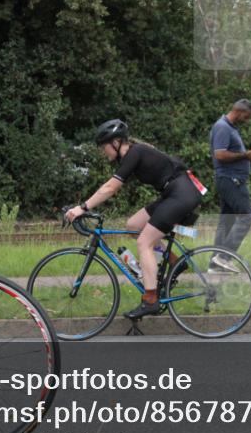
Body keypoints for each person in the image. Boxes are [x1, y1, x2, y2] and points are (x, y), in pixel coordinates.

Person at [65, 119, 205, 319]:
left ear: (116, 142)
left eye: (104, 146)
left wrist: (82, 207)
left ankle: (150, 300)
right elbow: (111, 187)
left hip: (181, 194)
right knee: (133, 226)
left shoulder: (134, 153)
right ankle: (175, 262)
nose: (103, 151)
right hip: (174, 193)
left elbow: (110, 188)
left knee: (144, 242)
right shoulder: (133, 155)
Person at [210, 99, 251, 272]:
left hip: (228, 179)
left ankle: (215, 265)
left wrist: (245, 156)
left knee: (227, 221)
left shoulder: (229, 128)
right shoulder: (223, 127)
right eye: (246, 116)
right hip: (230, 180)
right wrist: (245, 155)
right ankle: (224, 257)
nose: (247, 120)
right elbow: (220, 155)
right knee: (247, 217)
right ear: (239, 111)